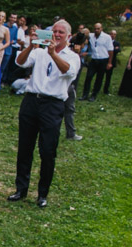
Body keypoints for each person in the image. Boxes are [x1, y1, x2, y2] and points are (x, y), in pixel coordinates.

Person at [8, 19, 80, 208]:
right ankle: (21, 189)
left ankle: (42, 193)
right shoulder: (38, 52)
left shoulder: (72, 56)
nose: (56, 35)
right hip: (32, 100)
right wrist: (31, 46)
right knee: (25, 147)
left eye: (61, 33)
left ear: (68, 37)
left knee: (47, 150)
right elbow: (20, 62)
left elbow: (68, 72)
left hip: (53, 104)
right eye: (54, 31)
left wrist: (53, 54)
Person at [81, 22, 114, 101]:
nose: (96, 30)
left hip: (103, 60)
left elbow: (111, 50)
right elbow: (83, 35)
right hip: (94, 59)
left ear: (101, 29)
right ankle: (85, 95)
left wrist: (109, 62)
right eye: (95, 28)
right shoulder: (91, 36)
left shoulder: (107, 37)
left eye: (98, 29)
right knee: (88, 77)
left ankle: (94, 95)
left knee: (99, 78)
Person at [104, 29, 121, 94]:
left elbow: (117, 50)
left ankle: (106, 90)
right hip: (104, 60)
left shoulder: (117, 43)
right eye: (111, 34)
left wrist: (112, 50)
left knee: (108, 77)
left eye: (114, 34)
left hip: (112, 61)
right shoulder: (106, 41)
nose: (113, 35)